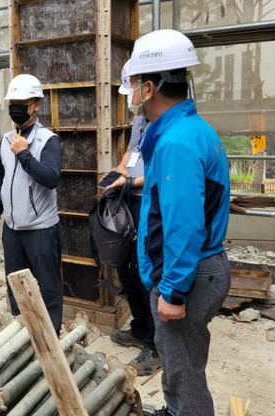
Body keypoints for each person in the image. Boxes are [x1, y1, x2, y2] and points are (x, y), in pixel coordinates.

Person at [126, 30, 231, 416]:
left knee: (187, 370)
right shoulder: (188, 130)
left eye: (136, 83)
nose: (132, 92)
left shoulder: (176, 143)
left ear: (150, 86)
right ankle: (173, 414)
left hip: (188, 273)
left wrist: (172, 291)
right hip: (194, 268)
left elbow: (184, 226)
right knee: (177, 357)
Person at [0, 74, 63, 333]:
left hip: (41, 229)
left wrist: (24, 154)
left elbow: (51, 178)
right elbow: (0, 178)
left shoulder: (48, 140)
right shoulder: (6, 140)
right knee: (15, 287)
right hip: (13, 229)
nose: (16, 108)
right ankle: (22, 335)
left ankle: (51, 338)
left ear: (36, 105)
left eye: (22, 102)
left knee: (48, 288)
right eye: (13, 102)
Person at [105, 61, 161, 376]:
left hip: (147, 203)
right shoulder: (141, 120)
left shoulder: (165, 126)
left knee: (146, 272)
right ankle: (140, 326)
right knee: (127, 268)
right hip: (129, 200)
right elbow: (131, 152)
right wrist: (119, 170)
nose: (130, 98)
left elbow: (157, 173)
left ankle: (156, 345)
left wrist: (129, 182)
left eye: (132, 89)